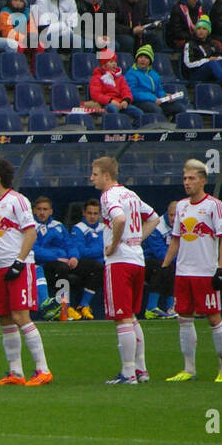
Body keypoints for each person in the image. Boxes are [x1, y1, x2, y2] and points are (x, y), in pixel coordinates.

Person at [0, 157, 52, 386]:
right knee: (4, 317)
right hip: (0, 266)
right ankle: (15, 372)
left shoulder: (18, 201)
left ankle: (43, 369)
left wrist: (19, 262)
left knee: (21, 316)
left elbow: (30, 233)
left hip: (18, 265)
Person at [90, 156, 159, 384]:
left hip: (120, 261)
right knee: (130, 316)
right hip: (137, 260)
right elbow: (154, 218)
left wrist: (114, 244)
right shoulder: (130, 194)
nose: (92, 178)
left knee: (121, 318)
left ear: (106, 175)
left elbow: (118, 219)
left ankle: (128, 373)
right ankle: (142, 370)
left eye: (95, 174)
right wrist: (137, 240)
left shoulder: (109, 195)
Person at [162, 159, 222, 382]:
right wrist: (165, 266)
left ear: (202, 180)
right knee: (184, 318)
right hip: (184, 272)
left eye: (191, 178)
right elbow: (175, 240)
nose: (187, 182)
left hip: (205, 272)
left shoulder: (214, 205)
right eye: (184, 178)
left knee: (213, 319)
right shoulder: (181, 206)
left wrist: (221, 269)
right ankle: (189, 368)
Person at [66, 199, 107, 320]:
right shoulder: (77, 229)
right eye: (89, 213)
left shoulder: (104, 228)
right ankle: (83, 304)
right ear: (84, 213)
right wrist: (102, 250)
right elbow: (82, 251)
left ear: (99, 214)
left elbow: (112, 248)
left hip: (99, 263)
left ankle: (84, 306)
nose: (92, 216)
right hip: (81, 262)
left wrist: (102, 251)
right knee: (99, 267)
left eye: (95, 213)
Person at [127, 44, 187, 118]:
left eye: (146, 58)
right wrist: (153, 98)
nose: (143, 60)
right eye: (140, 57)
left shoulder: (154, 74)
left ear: (150, 60)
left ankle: (174, 128)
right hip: (139, 102)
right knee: (156, 109)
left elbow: (159, 90)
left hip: (156, 100)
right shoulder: (131, 73)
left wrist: (165, 95)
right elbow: (133, 93)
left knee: (180, 108)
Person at [184, 15, 222, 86]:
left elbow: (219, 55)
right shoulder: (190, 44)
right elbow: (188, 64)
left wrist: (217, 58)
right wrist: (207, 60)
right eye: (199, 28)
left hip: (210, 72)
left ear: (208, 31)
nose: (201, 31)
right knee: (212, 63)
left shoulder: (212, 43)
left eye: (204, 29)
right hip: (194, 73)